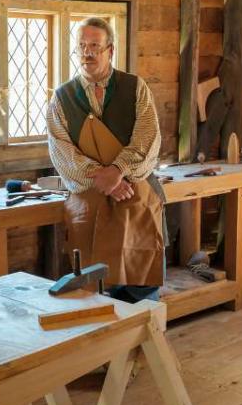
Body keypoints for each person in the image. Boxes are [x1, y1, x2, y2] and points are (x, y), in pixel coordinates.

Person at [46, 17, 165, 302]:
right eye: (81, 46)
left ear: (110, 50)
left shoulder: (135, 88)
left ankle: (143, 340)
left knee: (140, 283)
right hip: (91, 199)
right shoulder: (62, 98)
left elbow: (147, 137)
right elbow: (61, 149)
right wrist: (103, 177)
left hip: (134, 194)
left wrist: (119, 170)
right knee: (94, 288)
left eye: (95, 46)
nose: (87, 53)